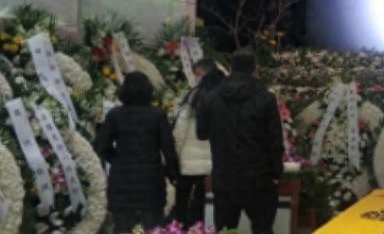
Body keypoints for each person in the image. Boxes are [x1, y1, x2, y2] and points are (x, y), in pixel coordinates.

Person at [197, 50, 284, 234]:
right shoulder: (266, 98)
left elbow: (202, 134)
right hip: (259, 177)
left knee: (226, 230)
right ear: (255, 69)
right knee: (263, 229)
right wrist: (276, 172)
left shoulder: (209, 97)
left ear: (230, 69)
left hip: (224, 176)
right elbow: (275, 140)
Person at [95, 71, 179, 234]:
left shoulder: (114, 115)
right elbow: (168, 148)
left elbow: (101, 146)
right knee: (153, 226)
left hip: (122, 179)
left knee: (123, 227)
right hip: (151, 178)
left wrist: (116, 159)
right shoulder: (157, 115)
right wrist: (171, 172)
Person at [173, 58, 226, 228]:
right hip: (213, 165)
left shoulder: (193, 97)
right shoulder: (225, 98)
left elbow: (180, 132)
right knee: (203, 206)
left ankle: (179, 229)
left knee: (182, 204)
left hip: (188, 164)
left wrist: (175, 156)